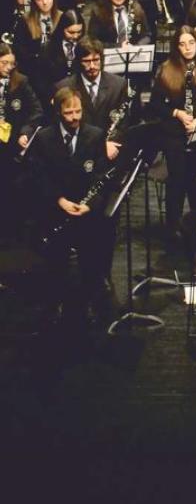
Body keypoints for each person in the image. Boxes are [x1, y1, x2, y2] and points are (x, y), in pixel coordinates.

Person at [29, 87, 113, 330]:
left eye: (78, 111)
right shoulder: (44, 138)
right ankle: (55, 304)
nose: (75, 117)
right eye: (69, 113)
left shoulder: (96, 135)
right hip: (57, 209)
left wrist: (90, 205)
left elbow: (103, 176)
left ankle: (87, 304)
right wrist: (60, 201)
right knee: (56, 263)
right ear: (58, 112)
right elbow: (39, 177)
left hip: (86, 210)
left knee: (90, 261)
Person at [147, 25, 196, 242]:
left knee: (195, 178)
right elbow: (154, 105)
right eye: (182, 44)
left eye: (191, 43)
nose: (187, 48)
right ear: (176, 47)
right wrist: (177, 113)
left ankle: (195, 220)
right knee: (177, 178)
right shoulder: (166, 68)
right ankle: (173, 225)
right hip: (174, 132)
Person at [55, 37, 128, 161]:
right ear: (79, 62)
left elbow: (124, 121)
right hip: (76, 150)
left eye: (96, 60)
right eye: (86, 61)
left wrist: (110, 143)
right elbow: (60, 123)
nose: (92, 66)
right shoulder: (64, 86)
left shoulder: (118, 84)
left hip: (110, 149)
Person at [0, 43, 42, 238]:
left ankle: (12, 229)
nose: (8, 67)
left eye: (11, 63)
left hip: (13, 144)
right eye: (4, 63)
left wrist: (25, 132)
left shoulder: (21, 81)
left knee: (12, 188)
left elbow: (36, 111)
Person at [13, 0, 66, 86]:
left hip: (58, 72)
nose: (45, 2)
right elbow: (19, 49)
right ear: (34, 2)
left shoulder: (63, 17)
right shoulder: (25, 20)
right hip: (33, 73)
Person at [35, 9, 85, 112]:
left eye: (79, 32)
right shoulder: (48, 48)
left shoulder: (84, 45)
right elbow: (41, 78)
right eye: (71, 32)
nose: (75, 36)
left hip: (81, 97)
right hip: (55, 97)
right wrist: (50, 97)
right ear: (62, 29)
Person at [87, 0, 151, 47]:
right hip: (109, 55)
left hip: (133, 54)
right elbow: (93, 40)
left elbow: (147, 35)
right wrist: (118, 46)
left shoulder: (136, 8)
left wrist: (136, 47)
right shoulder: (98, 11)